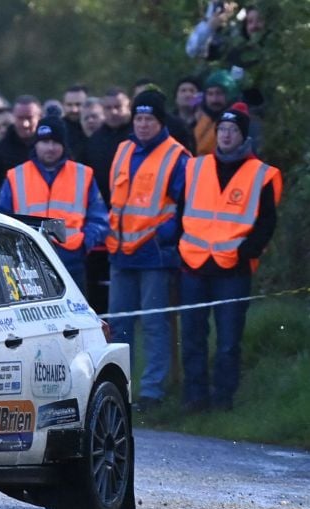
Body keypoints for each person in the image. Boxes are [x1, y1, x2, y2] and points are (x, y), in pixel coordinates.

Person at [179, 103, 280, 412]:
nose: (224, 135)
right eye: (221, 129)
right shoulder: (196, 166)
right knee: (193, 336)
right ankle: (195, 399)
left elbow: (266, 223)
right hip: (194, 264)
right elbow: (180, 211)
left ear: (243, 136)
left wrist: (244, 254)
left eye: (232, 130)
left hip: (233, 269)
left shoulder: (262, 174)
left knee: (228, 342)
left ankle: (223, 400)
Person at [106, 90, 190, 412]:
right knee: (119, 326)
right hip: (121, 251)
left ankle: (152, 392)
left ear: (160, 121)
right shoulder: (123, 149)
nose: (142, 125)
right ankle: (117, 391)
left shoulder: (177, 156)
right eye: (138, 118)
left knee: (155, 326)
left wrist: (165, 235)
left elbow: (184, 207)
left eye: (148, 119)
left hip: (154, 255)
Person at [0, 116, 108, 291]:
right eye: (45, 141)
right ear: (36, 144)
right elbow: (2, 219)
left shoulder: (83, 174)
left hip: (71, 260)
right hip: (27, 261)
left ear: (64, 145)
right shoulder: (16, 175)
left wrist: (84, 244)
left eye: (55, 142)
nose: (50, 147)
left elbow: (100, 219)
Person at [0, 95, 42, 193]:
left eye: (29, 118)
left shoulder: (52, 148)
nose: (25, 124)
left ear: (39, 117)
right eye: (20, 118)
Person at [83, 87, 132, 205]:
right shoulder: (95, 139)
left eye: (118, 107)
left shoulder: (139, 136)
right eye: (108, 108)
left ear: (128, 107)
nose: (113, 112)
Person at [194, 70, 239, 155]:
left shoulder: (241, 124)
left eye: (219, 93)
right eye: (210, 94)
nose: (214, 99)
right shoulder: (195, 120)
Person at [62, 84, 90, 161]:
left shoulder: (97, 128)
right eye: (69, 105)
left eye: (78, 104)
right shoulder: (59, 129)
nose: (74, 109)